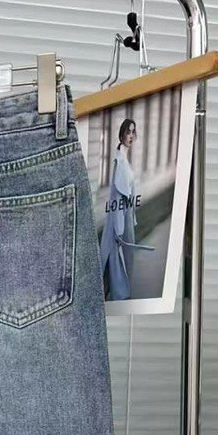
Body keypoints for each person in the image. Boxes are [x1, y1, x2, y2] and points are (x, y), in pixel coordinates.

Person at [98, 118, 138, 300]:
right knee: (117, 257)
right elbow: (117, 196)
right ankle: (118, 295)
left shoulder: (123, 159)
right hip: (120, 218)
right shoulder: (119, 161)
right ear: (121, 134)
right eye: (128, 132)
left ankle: (111, 292)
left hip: (125, 216)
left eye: (133, 132)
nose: (131, 136)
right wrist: (120, 229)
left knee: (117, 258)